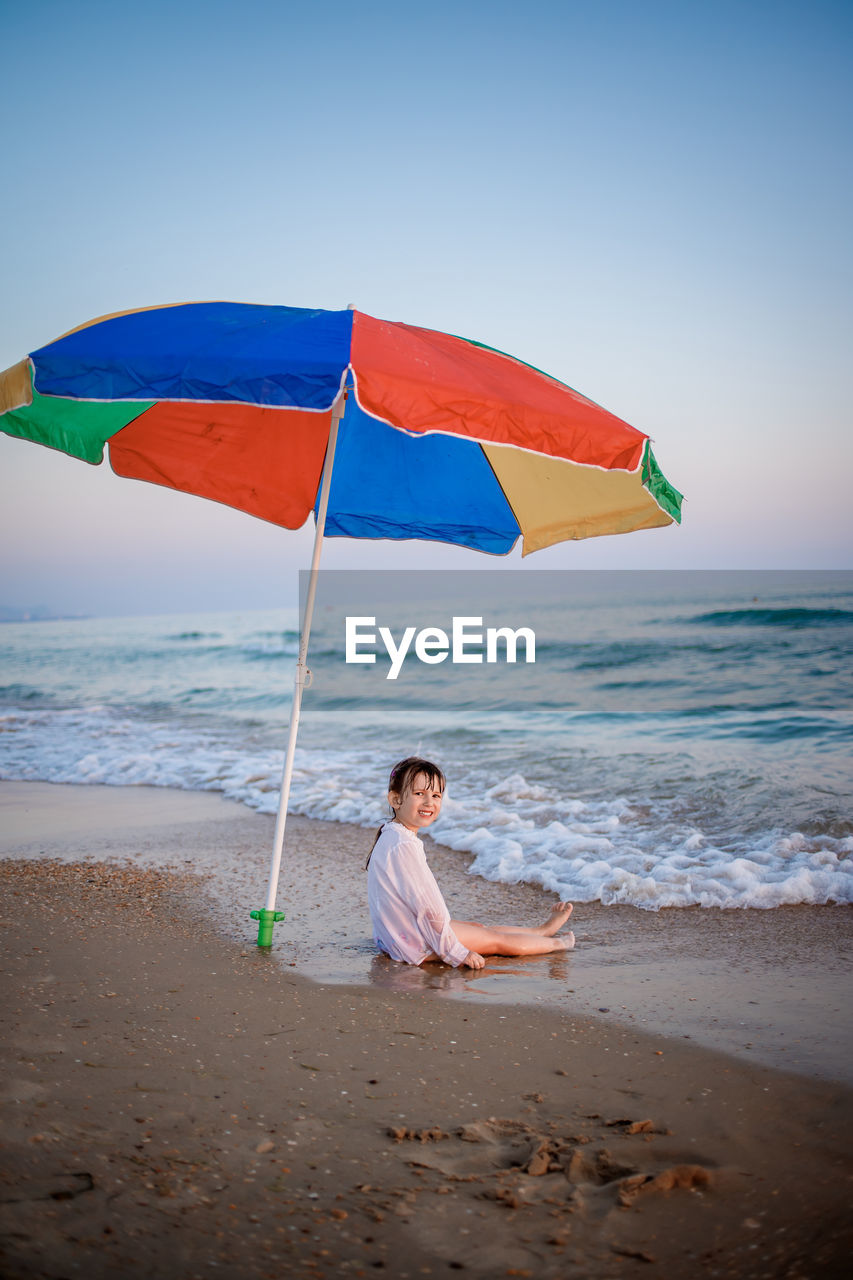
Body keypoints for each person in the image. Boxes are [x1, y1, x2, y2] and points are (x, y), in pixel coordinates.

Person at [366, 756, 575, 970]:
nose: (429, 802)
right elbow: (427, 908)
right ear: (395, 799)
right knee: (496, 941)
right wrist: (456, 952)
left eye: (436, 795)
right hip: (414, 942)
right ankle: (557, 943)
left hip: (394, 935)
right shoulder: (404, 845)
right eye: (419, 794)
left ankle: (542, 931)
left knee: (479, 928)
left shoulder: (391, 834)